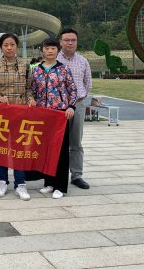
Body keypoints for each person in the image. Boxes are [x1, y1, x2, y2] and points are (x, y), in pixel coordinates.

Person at [0, 33, 33, 201]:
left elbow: (29, 88)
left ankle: (20, 183)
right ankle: (2, 181)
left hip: (20, 113)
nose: (9, 48)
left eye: (12, 44)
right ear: (1, 47)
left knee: (19, 148)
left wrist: (30, 99)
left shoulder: (25, 66)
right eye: (5, 45)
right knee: (1, 148)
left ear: (17, 47)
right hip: (1, 113)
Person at [31, 37, 77, 199]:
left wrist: (71, 107)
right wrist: (31, 99)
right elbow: (32, 90)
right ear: (42, 50)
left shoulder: (63, 69)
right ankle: (49, 182)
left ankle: (60, 186)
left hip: (59, 115)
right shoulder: (36, 70)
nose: (50, 51)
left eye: (53, 48)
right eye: (47, 48)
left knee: (61, 150)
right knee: (45, 149)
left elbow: (72, 90)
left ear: (58, 51)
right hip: (42, 115)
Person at [57, 28, 93, 190]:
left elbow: (88, 84)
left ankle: (77, 175)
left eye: (73, 40)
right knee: (57, 141)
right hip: (57, 107)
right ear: (60, 42)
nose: (70, 43)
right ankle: (56, 174)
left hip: (77, 105)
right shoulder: (54, 59)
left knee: (76, 142)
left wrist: (79, 99)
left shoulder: (83, 61)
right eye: (66, 40)